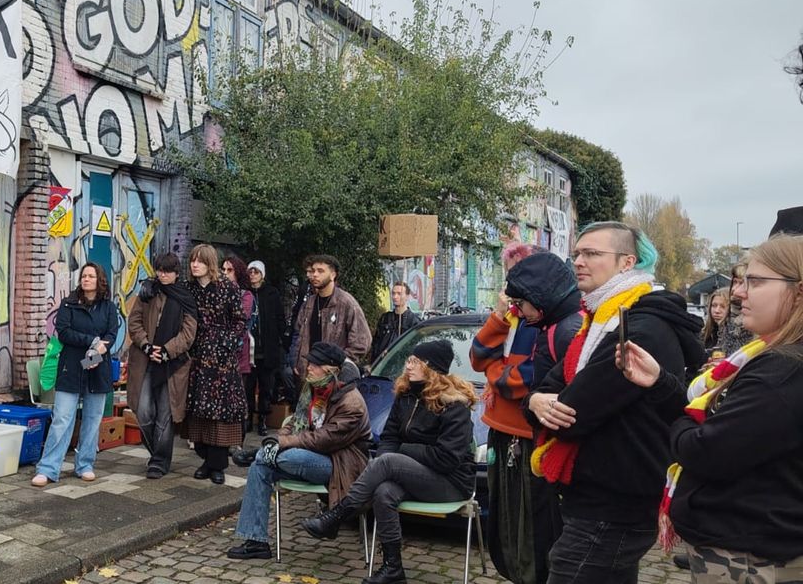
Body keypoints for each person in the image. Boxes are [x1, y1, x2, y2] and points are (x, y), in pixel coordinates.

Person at [618, 234, 803, 582]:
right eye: (743, 281)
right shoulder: (768, 356)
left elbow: (705, 449)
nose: (738, 293)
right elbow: (728, 427)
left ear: (799, 291)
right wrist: (661, 383)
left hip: (750, 558)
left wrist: (684, 425)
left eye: (757, 282)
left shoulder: (781, 370)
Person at [526, 222, 704, 584]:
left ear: (627, 262)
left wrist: (544, 402)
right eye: (576, 253)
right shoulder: (600, 320)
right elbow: (550, 384)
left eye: (592, 254)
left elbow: (573, 413)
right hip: (607, 494)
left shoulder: (636, 329)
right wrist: (534, 400)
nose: (578, 261)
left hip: (614, 501)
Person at [302, 340, 476, 584]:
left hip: (452, 482)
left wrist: (400, 454)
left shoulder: (454, 405)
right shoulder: (405, 396)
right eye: (409, 360)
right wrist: (389, 459)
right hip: (418, 475)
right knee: (384, 491)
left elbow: (446, 459)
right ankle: (393, 568)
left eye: (416, 362)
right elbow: (390, 437)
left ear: (432, 368)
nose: (408, 365)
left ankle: (338, 515)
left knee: (389, 462)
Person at [470, 249, 581, 584]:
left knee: (530, 522)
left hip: (526, 433)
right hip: (500, 429)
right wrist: (500, 317)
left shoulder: (547, 320)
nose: (512, 290)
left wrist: (496, 374)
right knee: (504, 519)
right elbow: (477, 357)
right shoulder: (515, 315)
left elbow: (527, 380)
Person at [226, 342, 370, 561]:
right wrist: (278, 439)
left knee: (286, 456)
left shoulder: (352, 403)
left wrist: (281, 443)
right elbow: (295, 422)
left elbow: (324, 440)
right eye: (309, 363)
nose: (308, 368)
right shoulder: (313, 387)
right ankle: (256, 542)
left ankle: (258, 452)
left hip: (339, 463)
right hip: (309, 454)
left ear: (330, 369)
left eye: (314, 364)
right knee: (260, 466)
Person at [32, 262, 119, 487]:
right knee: (62, 418)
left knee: (92, 420)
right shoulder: (69, 304)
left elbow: (111, 333)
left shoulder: (109, 307)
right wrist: (91, 341)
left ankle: (85, 464)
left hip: (97, 368)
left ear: (99, 280)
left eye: (91, 276)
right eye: (84, 276)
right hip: (71, 367)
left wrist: (100, 349)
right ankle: (48, 468)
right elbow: (63, 331)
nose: (86, 279)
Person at [125, 253, 198, 478]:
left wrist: (167, 351)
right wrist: (146, 345)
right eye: (159, 270)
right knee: (143, 410)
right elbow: (134, 320)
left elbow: (189, 332)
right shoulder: (148, 292)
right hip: (145, 359)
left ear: (176, 273)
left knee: (165, 414)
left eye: (167, 271)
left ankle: (159, 461)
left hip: (173, 365)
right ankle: (157, 453)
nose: (162, 275)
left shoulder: (185, 297)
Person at [183, 244, 248, 484]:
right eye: (192, 260)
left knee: (220, 413)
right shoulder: (188, 288)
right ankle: (206, 459)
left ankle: (217, 464)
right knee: (198, 411)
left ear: (209, 263)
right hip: (198, 358)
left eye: (199, 260)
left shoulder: (227, 288)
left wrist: (227, 343)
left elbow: (240, 319)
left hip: (221, 362)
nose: (194, 264)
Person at [292, 254, 372, 373]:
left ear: (333, 275)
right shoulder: (308, 304)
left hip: (333, 378)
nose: (315, 275)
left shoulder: (346, 303)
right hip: (307, 374)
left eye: (320, 271)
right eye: (313, 271)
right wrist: (296, 362)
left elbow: (361, 342)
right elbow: (299, 336)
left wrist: (338, 364)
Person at [247, 260, 287, 437]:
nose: (253, 275)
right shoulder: (245, 293)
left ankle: (263, 419)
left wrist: (281, 340)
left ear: (262, 274)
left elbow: (280, 319)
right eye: (251, 272)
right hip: (249, 351)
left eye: (256, 272)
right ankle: (247, 418)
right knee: (247, 386)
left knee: (266, 387)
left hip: (268, 349)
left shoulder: (272, 293)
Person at [221, 256, 257, 432]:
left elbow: (240, 318)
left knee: (237, 395)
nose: (225, 274)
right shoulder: (219, 290)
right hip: (221, 351)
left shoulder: (246, 295)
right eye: (223, 270)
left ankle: (238, 435)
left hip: (238, 351)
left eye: (229, 270)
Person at [373, 282, 421, 361]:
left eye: (399, 294)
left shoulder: (413, 321)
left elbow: (416, 346)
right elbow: (376, 343)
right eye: (393, 293)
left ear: (407, 296)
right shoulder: (385, 318)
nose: (395, 297)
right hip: (381, 364)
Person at [700, 287, 730, 357]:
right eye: (714, 305)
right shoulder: (704, 333)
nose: (717, 311)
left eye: (722, 306)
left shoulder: (736, 336)